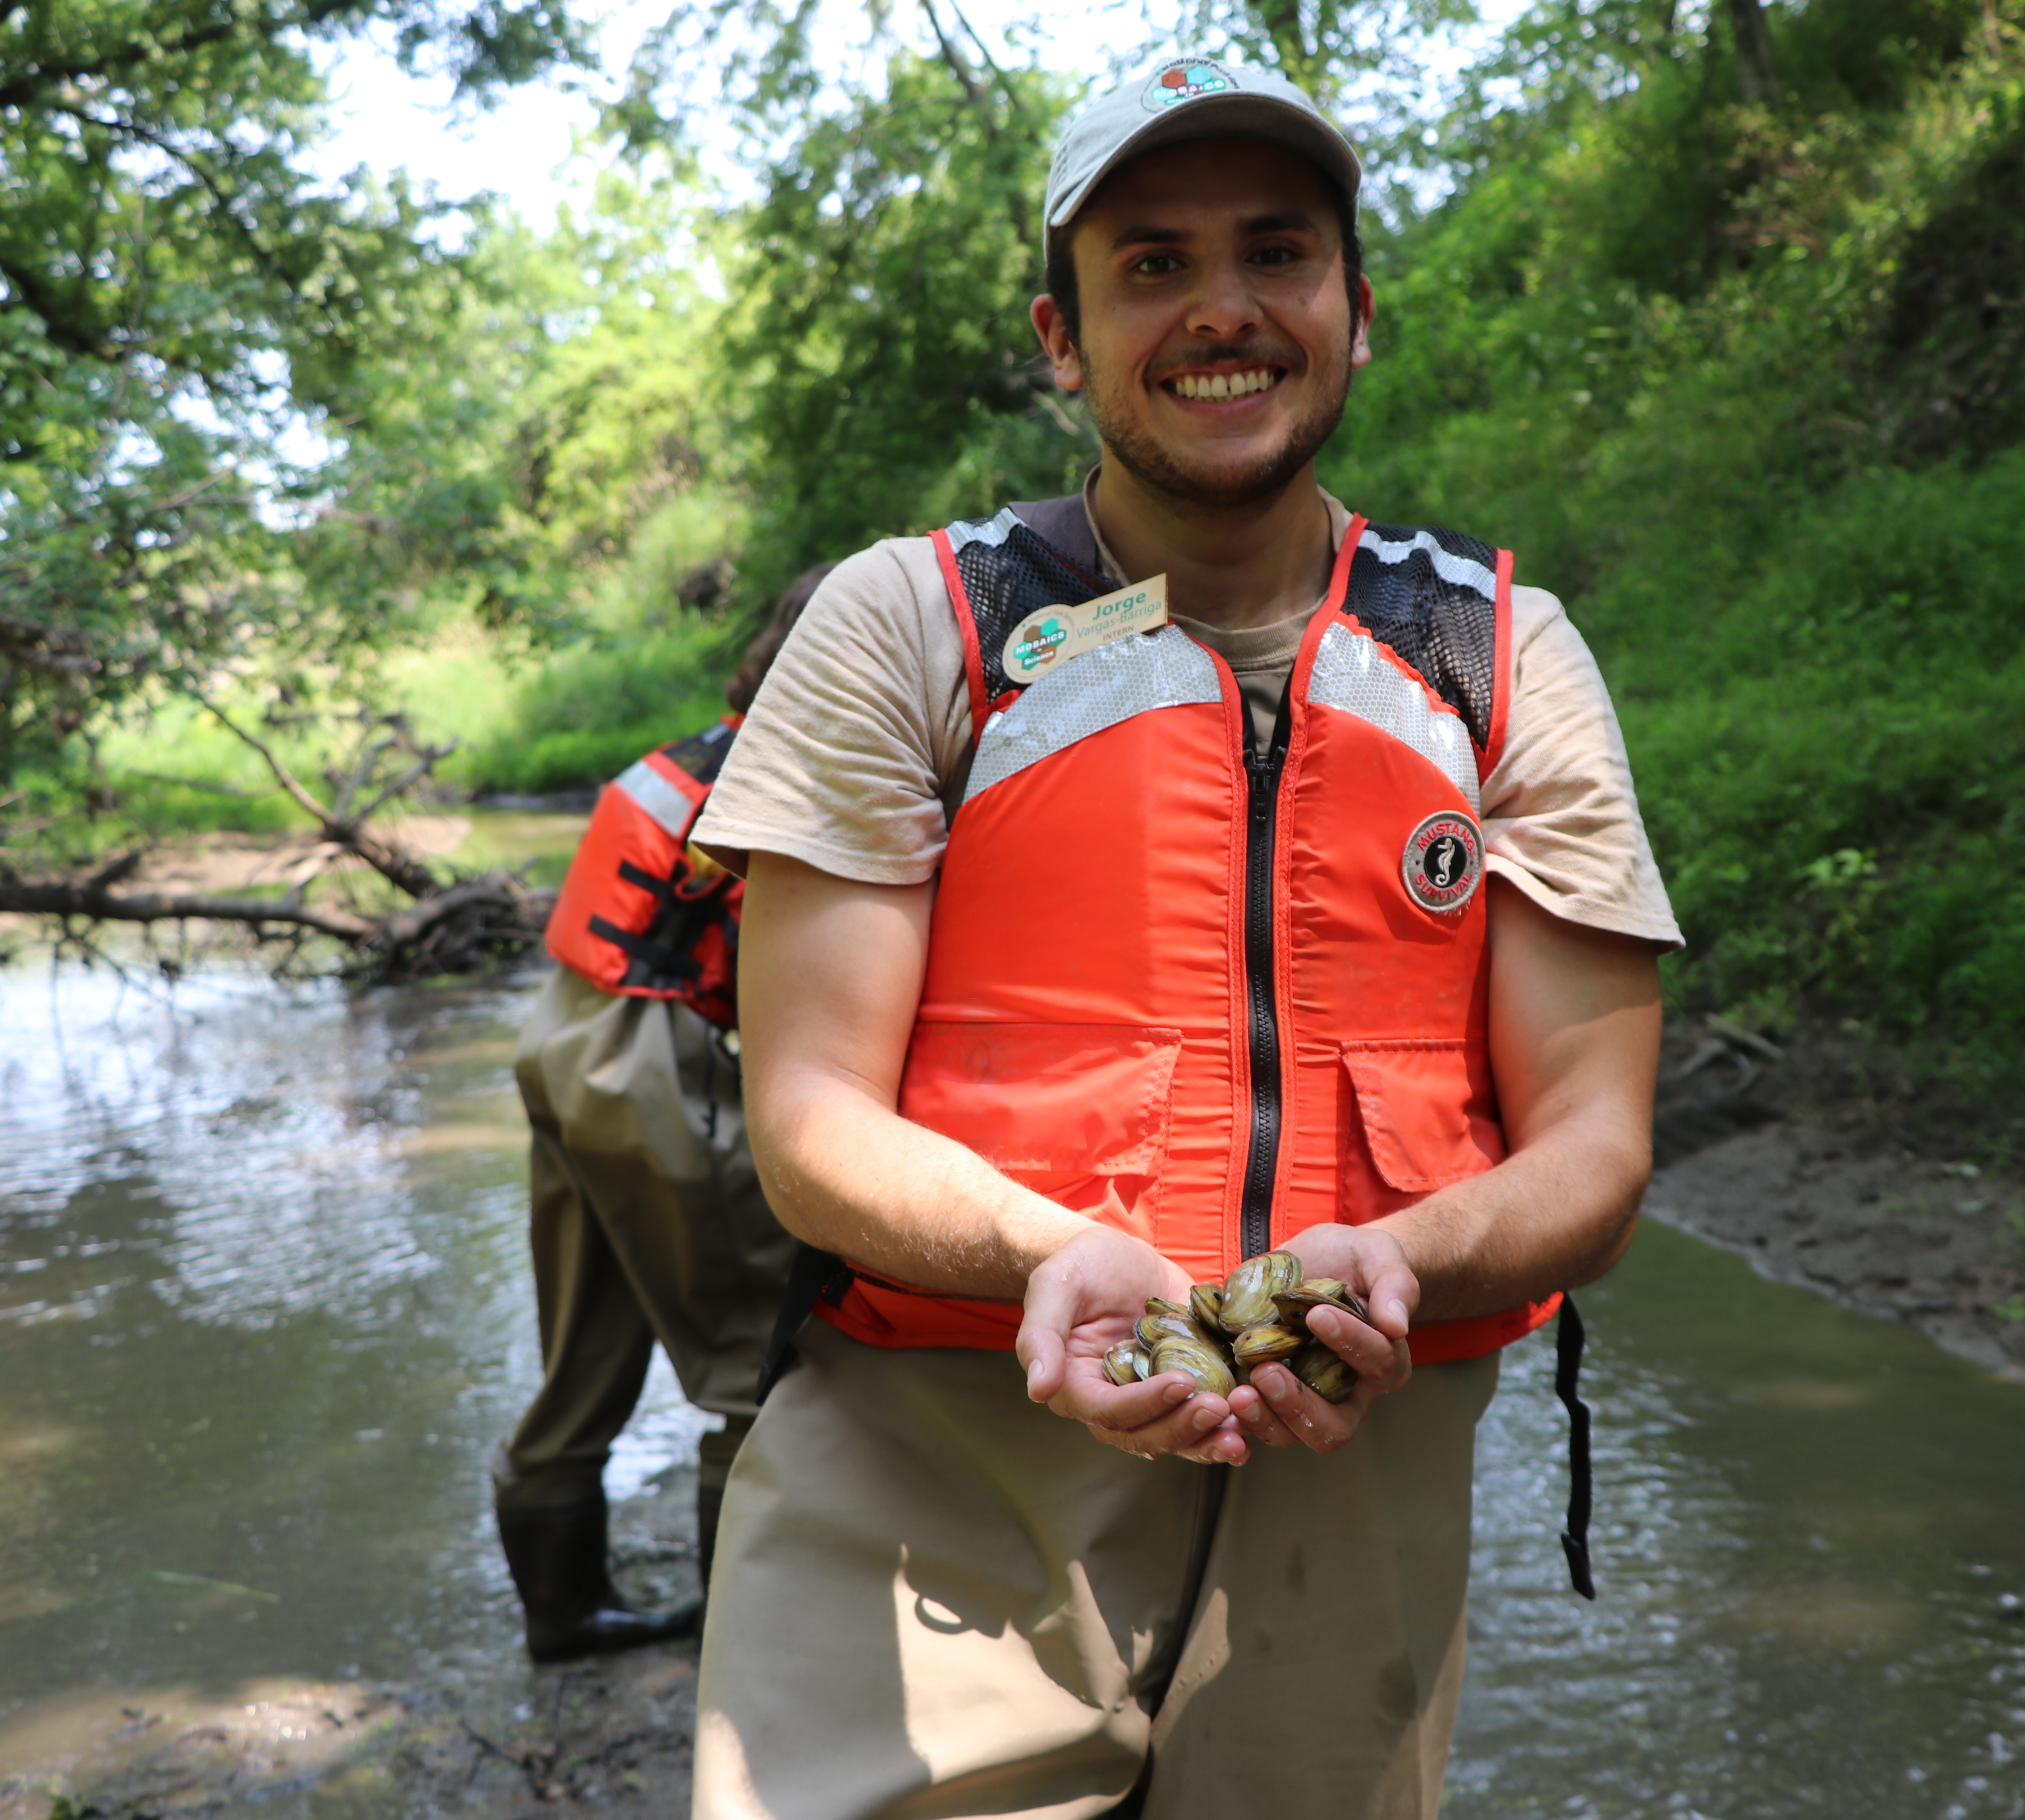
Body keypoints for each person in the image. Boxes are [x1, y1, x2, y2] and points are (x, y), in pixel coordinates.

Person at [686, 58, 1679, 1817]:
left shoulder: (1502, 656)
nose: (1224, 311)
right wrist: (1047, 1253)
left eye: (1276, 254)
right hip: (946, 1468)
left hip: (1357, 1483)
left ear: (1356, 313)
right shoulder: (913, 626)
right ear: (1062, 337)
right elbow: (809, 1117)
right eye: (1150, 264)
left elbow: (1596, 1145)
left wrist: (1411, 1256)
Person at [489, 567, 828, 1663]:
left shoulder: (703, 749)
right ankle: (747, 1646)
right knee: (752, 1360)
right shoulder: (789, 772)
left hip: (560, 1035)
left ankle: (562, 1619)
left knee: (583, 1354)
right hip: (648, 1058)